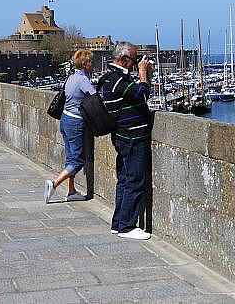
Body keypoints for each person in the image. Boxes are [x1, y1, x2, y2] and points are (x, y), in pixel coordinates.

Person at [99, 42, 154, 240]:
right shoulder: (116, 80)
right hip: (131, 137)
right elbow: (142, 94)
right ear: (123, 59)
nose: (136, 62)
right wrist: (143, 73)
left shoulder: (113, 78)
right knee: (135, 180)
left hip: (124, 137)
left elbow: (136, 95)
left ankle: (118, 223)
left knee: (124, 180)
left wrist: (146, 75)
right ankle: (127, 226)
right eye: (134, 59)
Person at [44, 50, 96, 203]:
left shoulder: (71, 77)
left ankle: (71, 191)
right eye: (91, 62)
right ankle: (54, 183)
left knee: (70, 157)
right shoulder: (83, 80)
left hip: (65, 119)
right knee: (78, 161)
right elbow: (95, 98)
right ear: (85, 64)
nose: (93, 65)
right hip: (76, 122)